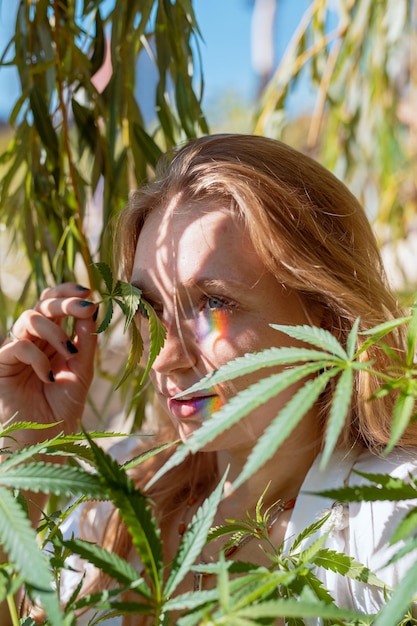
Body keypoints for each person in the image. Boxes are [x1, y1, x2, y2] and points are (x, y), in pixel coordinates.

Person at [0, 134, 416, 625]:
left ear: (325, 315)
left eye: (214, 303)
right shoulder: (112, 497)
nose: (164, 357)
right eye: (149, 308)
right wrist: (24, 462)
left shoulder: (387, 513)